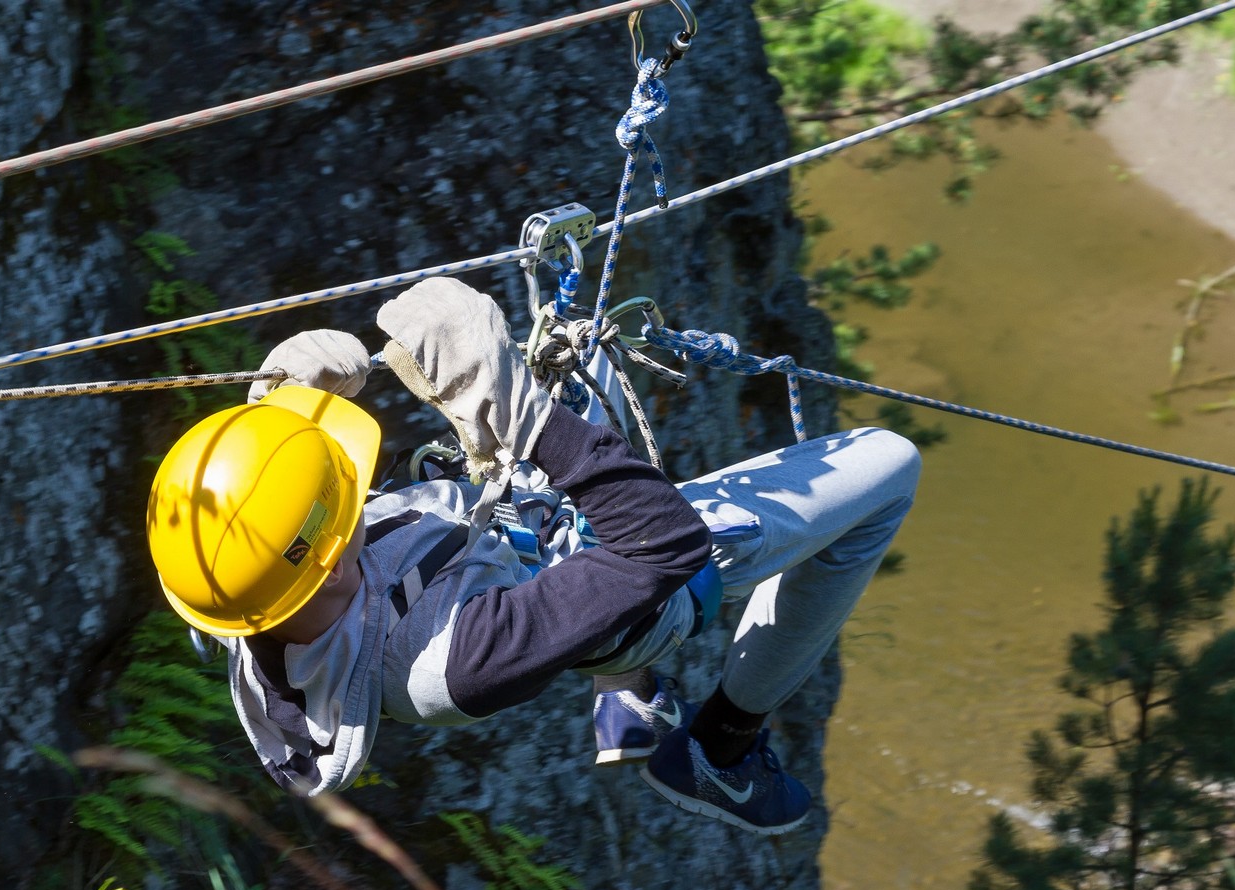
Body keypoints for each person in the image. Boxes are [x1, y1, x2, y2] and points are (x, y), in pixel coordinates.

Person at [146, 277, 920, 835]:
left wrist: (276, 421)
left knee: (586, 352)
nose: (354, 492)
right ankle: (720, 751)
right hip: (628, 562)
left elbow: (248, 528)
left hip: (510, 542)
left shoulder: (248, 596)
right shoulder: (453, 666)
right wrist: (517, 413)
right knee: (888, 466)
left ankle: (629, 694)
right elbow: (662, 543)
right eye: (340, 493)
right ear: (333, 554)